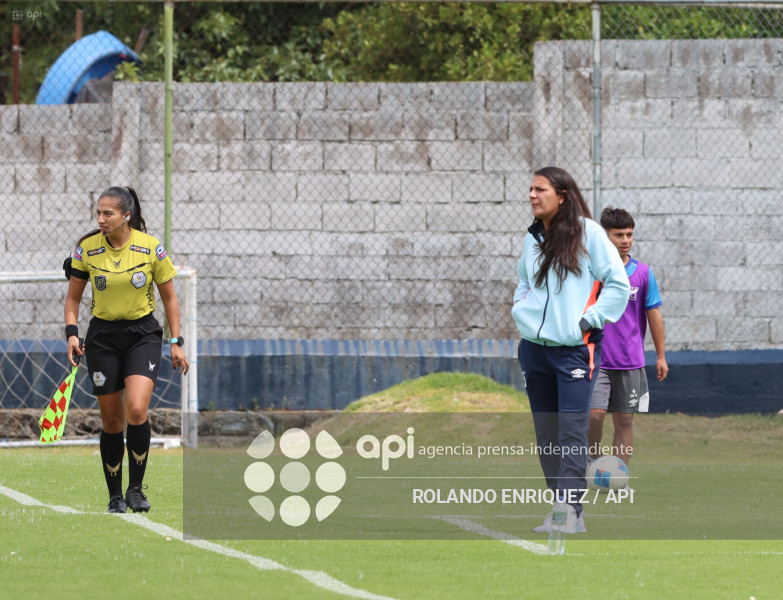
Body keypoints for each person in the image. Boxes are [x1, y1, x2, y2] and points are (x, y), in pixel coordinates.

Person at [511, 167, 630, 534]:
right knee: (546, 434)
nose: (532, 195)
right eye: (530, 189)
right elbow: (524, 282)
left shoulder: (588, 233)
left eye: (540, 189)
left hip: (575, 351)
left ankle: (568, 511)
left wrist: (589, 320)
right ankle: (564, 507)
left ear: (561, 195)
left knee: (572, 431)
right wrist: (521, 310)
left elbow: (618, 284)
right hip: (534, 350)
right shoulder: (533, 239)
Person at [64, 186, 189, 514]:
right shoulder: (86, 250)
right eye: (98, 213)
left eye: (109, 213)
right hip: (103, 338)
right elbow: (73, 298)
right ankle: (115, 497)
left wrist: (177, 342)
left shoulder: (150, 248)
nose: (101, 219)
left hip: (142, 335)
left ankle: (136, 490)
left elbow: (170, 298)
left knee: (136, 410)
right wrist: (72, 334)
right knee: (113, 421)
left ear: (126, 215)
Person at [587, 207, 668, 475]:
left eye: (629, 234)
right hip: (597, 359)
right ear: (605, 236)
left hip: (630, 360)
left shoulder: (643, 273)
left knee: (624, 420)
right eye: (618, 234)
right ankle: (594, 458)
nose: (625, 240)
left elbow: (653, 315)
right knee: (594, 415)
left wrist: (660, 356)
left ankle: (618, 477)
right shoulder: (591, 273)